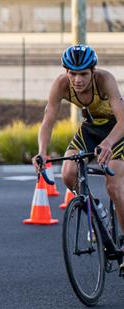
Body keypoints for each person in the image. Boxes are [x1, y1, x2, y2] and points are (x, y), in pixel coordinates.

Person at [33, 44, 124, 270]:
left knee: (113, 186)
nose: (77, 80)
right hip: (91, 129)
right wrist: (42, 152)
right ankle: (96, 210)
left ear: (93, 71)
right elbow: (48, 120)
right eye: (72, 73)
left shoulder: (105, 80)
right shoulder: (61, 85)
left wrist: (108, 143)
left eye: (83, 73)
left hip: (116, 131)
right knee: (68, 173)